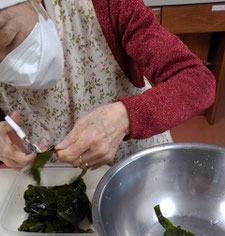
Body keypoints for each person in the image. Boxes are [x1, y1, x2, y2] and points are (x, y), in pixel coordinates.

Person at [0, 0, 216, 170]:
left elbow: (197, 80)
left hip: (135, 163)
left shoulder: (105, 5)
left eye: (10, 39)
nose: (12, 66)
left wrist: (125, 117)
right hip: (59, 173)